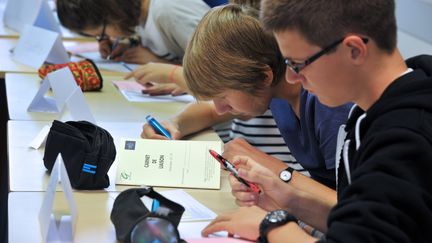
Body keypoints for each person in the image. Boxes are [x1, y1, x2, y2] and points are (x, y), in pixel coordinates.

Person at [202, 0, 432, 242]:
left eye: (297, 64)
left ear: (354, 50)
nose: (291, 77)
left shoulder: (406, 139)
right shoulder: (368, 114)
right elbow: (360, 222)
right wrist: (289, 200)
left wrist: (272, 226)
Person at [141, 4, 352, 192]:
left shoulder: (330, 109)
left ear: (263, 77)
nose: (221, 108)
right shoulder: (275, 91)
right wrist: (174, 123)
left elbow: (353, 208)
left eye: (223, 96)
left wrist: (269, 166)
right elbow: (211, 111)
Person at [56, 0, 209, 64]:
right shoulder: (139, 13)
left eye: (103, 33)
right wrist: (129, 42)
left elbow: (218, 74)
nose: (110, 38)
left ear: (112, 13)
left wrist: (157, 62)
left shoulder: (169, 13)